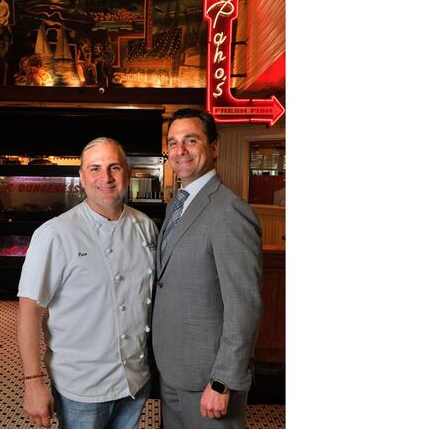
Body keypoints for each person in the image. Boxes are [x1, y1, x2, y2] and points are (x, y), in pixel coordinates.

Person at [17, 137, 159, 428]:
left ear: (127, 173)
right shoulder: (55, 233)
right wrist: (33, 383)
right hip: (81, 387)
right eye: (95, 168)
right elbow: (29, 310)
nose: (105, 178)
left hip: (134, 379)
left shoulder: (145, 226)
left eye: (114, 167)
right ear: (81, 178)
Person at [151, 108, 264, 428]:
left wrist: (222, 381)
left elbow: (245, 307)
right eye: (172, 143)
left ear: (214, 147)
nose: (179, 150)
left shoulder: (230, 211)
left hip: (209, 380)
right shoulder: (177, 204)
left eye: (191, 140)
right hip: (172, 369)